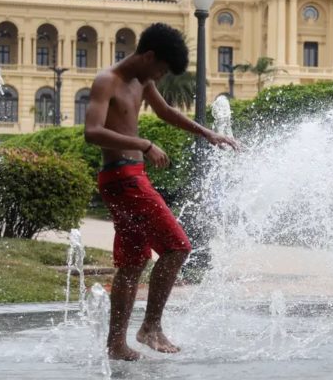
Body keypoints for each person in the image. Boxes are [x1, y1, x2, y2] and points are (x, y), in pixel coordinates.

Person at [84, 23, 238, 361]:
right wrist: (143, 143)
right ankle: (150, 327)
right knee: (177, 247)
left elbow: (166, 112)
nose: (161, 76)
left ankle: (116, 345)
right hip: (123, 178)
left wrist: (208, 133)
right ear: (149, 56)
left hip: (129, 176)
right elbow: (92, 132)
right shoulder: (107, 80)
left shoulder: (144, 81)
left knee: (133, 262)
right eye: (162, 68)